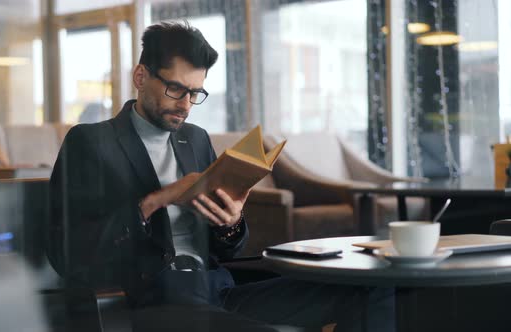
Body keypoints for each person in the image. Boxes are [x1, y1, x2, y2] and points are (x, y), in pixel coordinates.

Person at [48, 21, 394, 332]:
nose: (186, 104)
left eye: (196, 93)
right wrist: (155, 201)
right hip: (154, 298)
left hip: (217, 289)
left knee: (374, 289)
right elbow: (69, 254)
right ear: (140, 77)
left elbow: (225, 250)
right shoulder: (91, 142)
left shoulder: (195, 139)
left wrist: (229, 222)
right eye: (175, 89)